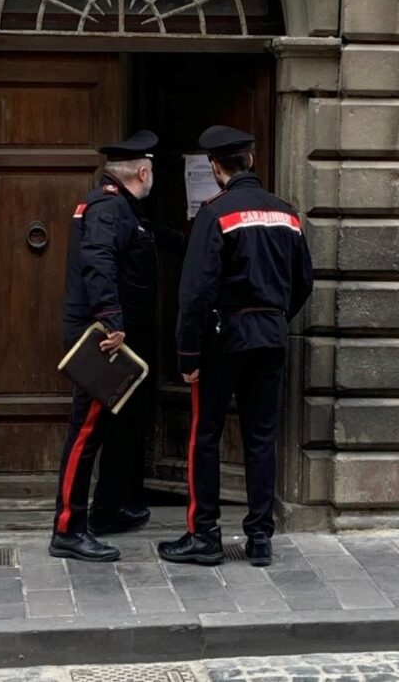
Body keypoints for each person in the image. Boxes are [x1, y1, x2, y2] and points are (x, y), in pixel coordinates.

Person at [158, 125, 314, 567]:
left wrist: (188, 354)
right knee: (261, 437)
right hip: (271, 337)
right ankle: (260, 539)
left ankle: (205, 535)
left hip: (224, 339)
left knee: (205, 435)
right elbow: (304, 282)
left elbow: (196, 292)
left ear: (215, 166)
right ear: (251, 160)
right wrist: (276, 319)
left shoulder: (215, 213)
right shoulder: (287, 214)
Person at [50, 130, 184, 562]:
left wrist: (201, 239)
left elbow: (152, 236)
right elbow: (99, 260)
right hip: (104, 341)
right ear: (143, 172)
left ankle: (108, 510)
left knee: (119, 424)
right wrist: (111, 319)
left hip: (120, 338)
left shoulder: (123, 208)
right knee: (87, 430)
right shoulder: (110, 208)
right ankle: (68, 529)